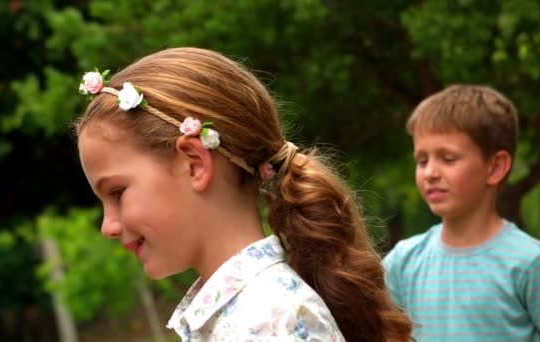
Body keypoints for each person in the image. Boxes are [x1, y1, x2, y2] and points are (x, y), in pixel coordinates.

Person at [75, 47, 412, 341]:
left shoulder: (271, 321)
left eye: (117, 192)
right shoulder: (249, 314)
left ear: (194, 164)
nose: (108, 226)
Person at [383, 84, 540, 341]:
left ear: (496, 167)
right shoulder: (401, 263)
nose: (430, 172)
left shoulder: (531, 263)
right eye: (422, 160)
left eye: (448, 158)